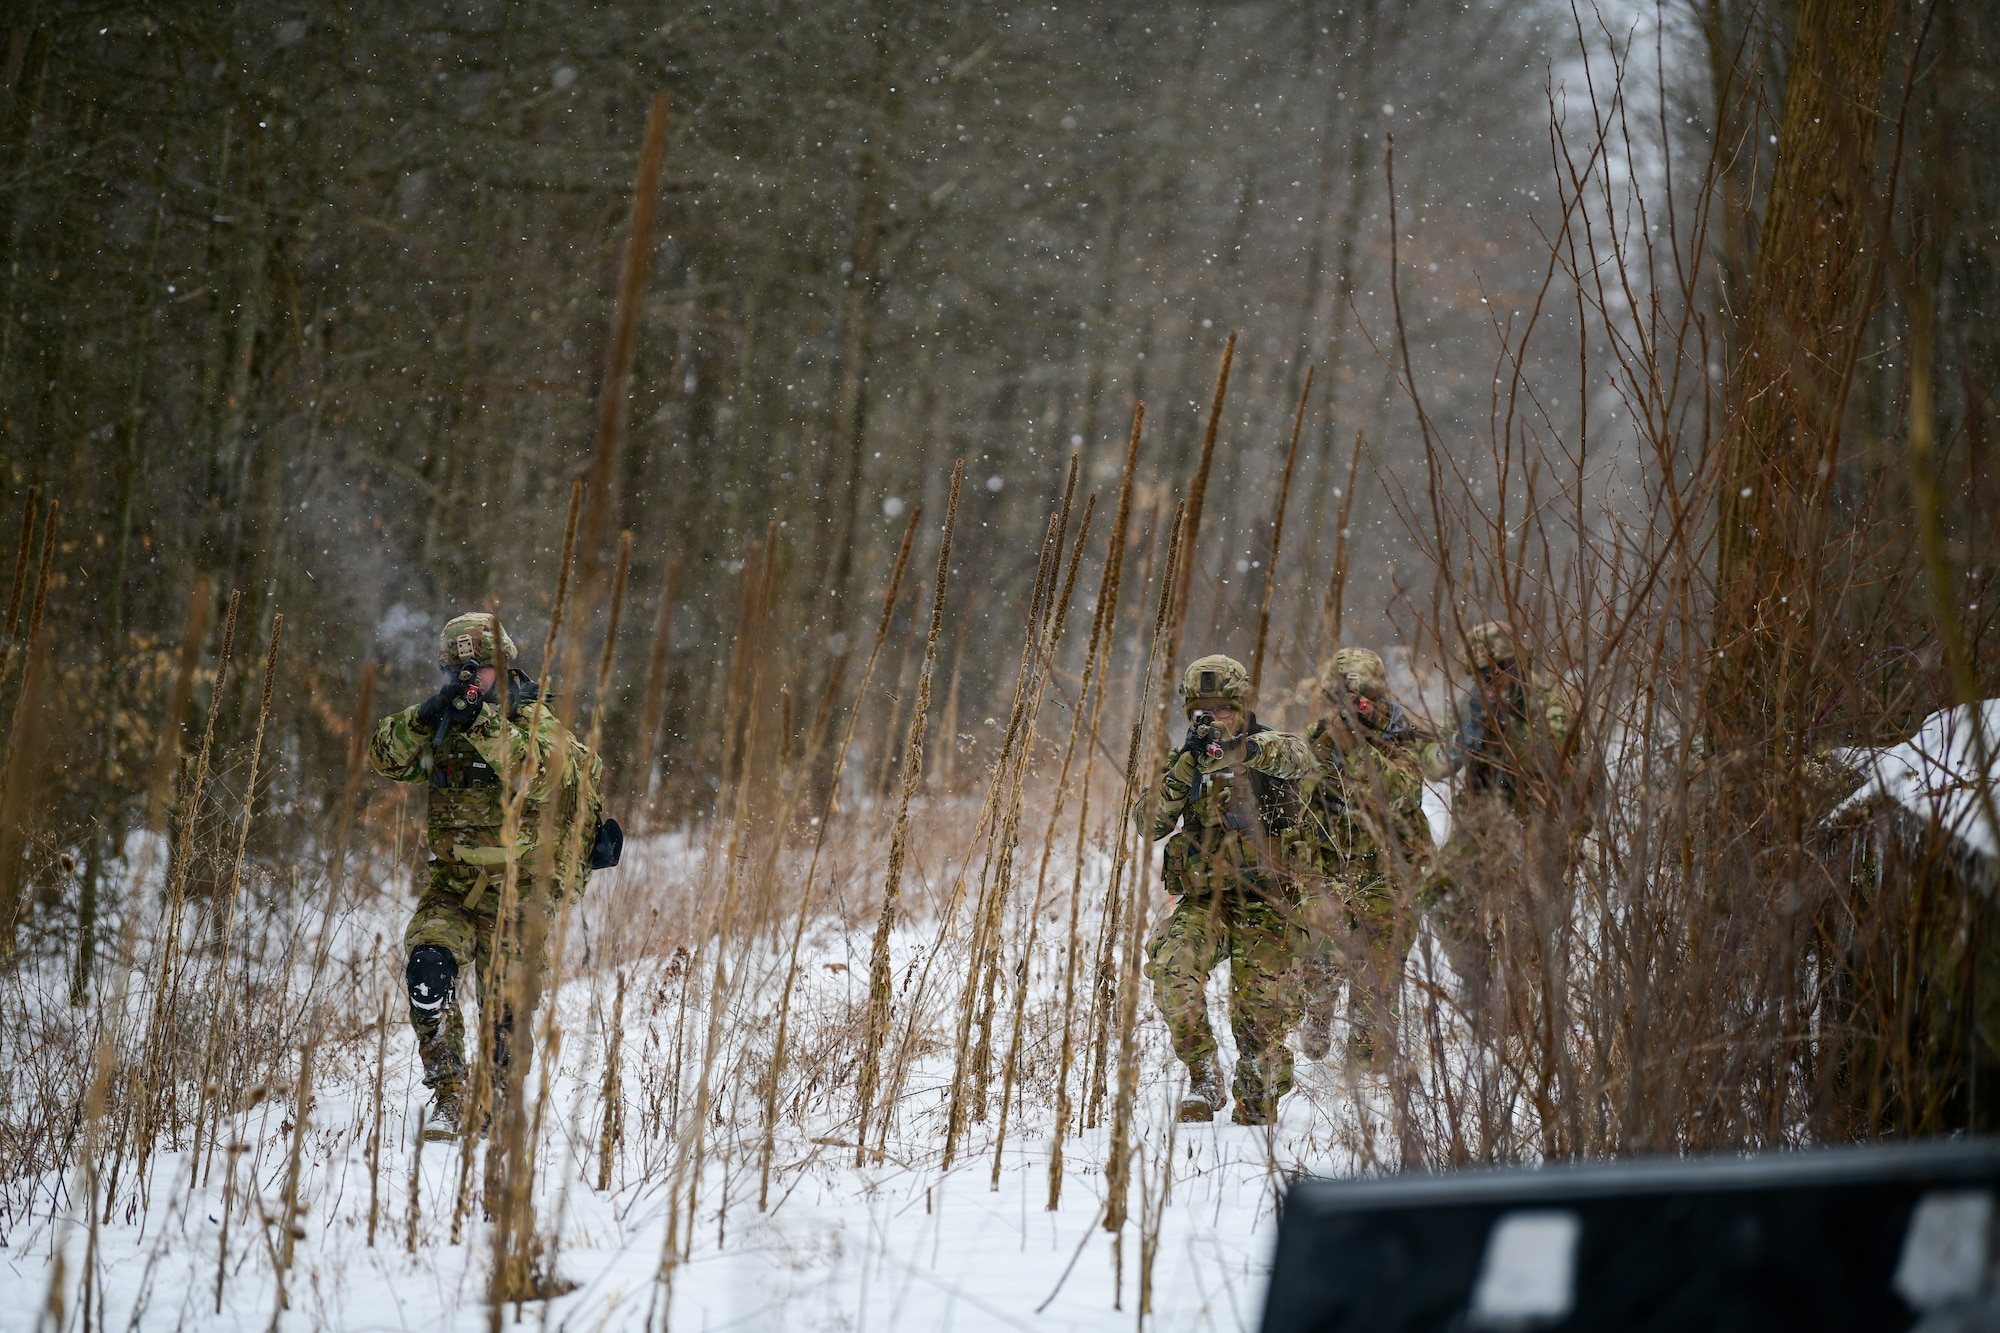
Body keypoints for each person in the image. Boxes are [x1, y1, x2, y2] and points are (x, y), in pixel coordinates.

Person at [369, 612, 607, 1139]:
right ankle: (451, 1093)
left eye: (479, 670)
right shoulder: (445, 722)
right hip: (452, 887)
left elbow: (537, 774)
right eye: (458, 671)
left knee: (506, 1020)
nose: (469, 680)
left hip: (519, 895)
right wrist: (423, 717)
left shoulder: (536, 720)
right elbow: (383, 758)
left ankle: (495, 1097)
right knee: (427, 976)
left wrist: (481, 722)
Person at [1140, 654, 1316, 1125]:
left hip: (1270, 906)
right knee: (1172, 967)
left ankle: (1257, 1087)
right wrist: (1184, 770)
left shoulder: (1268, 747)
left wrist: (1241, 752)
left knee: (1262, 1023)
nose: (1211, 720)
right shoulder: (1186, 761)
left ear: (1241, 708)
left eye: (1222, 710)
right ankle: (1203, 1077)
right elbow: (1147, 824)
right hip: (1208, 902)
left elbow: (1302, 758)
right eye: (1201, 711)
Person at [1415, 621, 1571, 1019]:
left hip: (1533, 825)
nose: (1490, 679)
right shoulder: (1471, 705)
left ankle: (1526, 1008)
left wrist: (1510, 729)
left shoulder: (1545, 704)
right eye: (1482, 674)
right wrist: (1458, 745)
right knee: (1439, 891)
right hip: (1480, 823)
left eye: (1497, 669)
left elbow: (1555, 764)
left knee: (1528, 919)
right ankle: (1476, 975)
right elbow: (1433, 765)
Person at [1296, 647, 1436, 1064]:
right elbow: (1293, 803)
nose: (1359, 708)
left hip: (1388, 875)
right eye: (1346, 699)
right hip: (1331, 871)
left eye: (1366, 699)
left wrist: (1358, 746)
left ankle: (1364, 1061)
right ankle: (1318, 1011)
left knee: (1376, 979)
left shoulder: (1400, 737)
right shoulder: (1317, 740)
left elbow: (1401, 793)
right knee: (1322, 958)